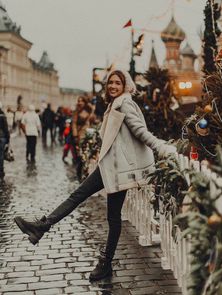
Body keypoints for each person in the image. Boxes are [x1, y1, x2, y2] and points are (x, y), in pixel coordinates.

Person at [14, 70, 176, 281]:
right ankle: (43, 228)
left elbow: (140, 131)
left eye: (117, 83)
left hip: (119, 170)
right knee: (86, 200)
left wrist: (160, 146)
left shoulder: (124, 104)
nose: (113, 86)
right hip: (111, 166)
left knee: (101, 210)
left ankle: (99, 259)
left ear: (125, 85)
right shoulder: (114, 104)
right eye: (110, 82)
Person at [0, 102, 10, 179]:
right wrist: (8, 139)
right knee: (1, 154)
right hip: (2, 137)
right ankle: (1, 171)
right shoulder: (3, 115)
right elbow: (6, 129)